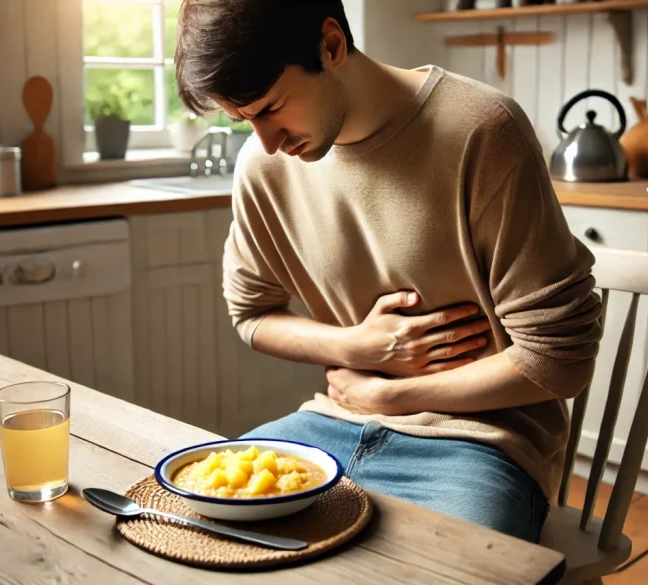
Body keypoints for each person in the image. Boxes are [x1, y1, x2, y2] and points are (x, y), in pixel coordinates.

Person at [174, 0, 602, 543]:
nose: (267, 142)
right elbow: (251, 315)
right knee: (186, 537)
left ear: (330, 46)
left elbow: (559, 362)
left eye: (271, 108)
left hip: (480, 443)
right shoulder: (263, 166)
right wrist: (357, 347)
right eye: (242, 120)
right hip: (328, 424)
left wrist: (393, 395)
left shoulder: (484, 131)